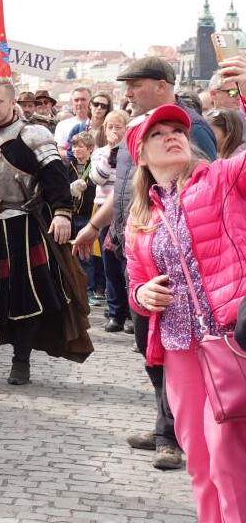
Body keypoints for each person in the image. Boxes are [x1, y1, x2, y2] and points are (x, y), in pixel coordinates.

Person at [72, 56, 218, 470]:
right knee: (149, 348)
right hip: (137, 251)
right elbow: (129, 190)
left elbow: (201, 181)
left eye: (135, 84)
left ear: (161, 84)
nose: (128, 92)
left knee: (177, 352)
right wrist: (96, 227)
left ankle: (174, 436)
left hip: (179, 264)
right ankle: (164, 425)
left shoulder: (189, 129)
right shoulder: (136, 133)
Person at [123, 85, 246, 522]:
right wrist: (142, 294)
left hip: (229, 340)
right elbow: (135, 282)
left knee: (229, 457)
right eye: (160, 134)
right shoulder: (141, 219)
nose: (173, 135)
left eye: (179, 129)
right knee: (198, 457)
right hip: (178, 348)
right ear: (141, 154)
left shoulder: (221, 179)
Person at [0, 77, 80, 387]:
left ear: (12, 103)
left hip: (21, 226)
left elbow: (56, 177)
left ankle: (21, 364)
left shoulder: (33, 135)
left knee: (25, 297)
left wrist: (62, 213)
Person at [90, 109, 131, 330]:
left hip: (127, 211)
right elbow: (97, 177)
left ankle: (132, 314)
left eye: (118, 127)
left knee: (128, 263)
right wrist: (111, 154)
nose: (113, 131)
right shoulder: (100, 153)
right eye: (110, 127)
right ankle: (115, 312)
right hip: (104, 212)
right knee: (109, 264)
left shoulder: (133, 152)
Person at [68, 131, 104, 306]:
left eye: (80, 146)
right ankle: (74, 289)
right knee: (71, 253)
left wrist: (87, 186)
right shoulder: (68, 165)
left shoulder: (95, 166)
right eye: (74, 146)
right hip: (71, 215)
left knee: (86, 256)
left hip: (88, 216)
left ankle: (89, 290)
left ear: (90, 149)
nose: (76, 150)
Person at [55, 86, 92, 152]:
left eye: (83, 99)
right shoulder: (62, 125)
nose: (79, 103)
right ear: (72, 103)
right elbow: (60, 151)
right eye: (76, 100)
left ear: (91, 102)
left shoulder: (100, 124)